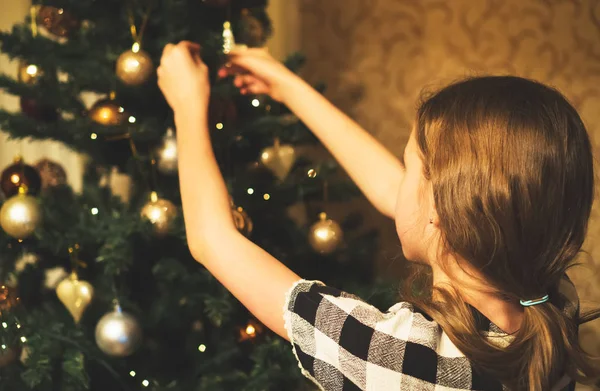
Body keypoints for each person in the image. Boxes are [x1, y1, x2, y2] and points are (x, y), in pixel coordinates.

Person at [156, 41, 600, 390]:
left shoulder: (401, 354)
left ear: (444, 213)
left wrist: (187, 106)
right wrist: (287, 85)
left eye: (409, 168)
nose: (398, 180)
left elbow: (212, 239)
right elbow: (403, 199)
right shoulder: (551, 305)